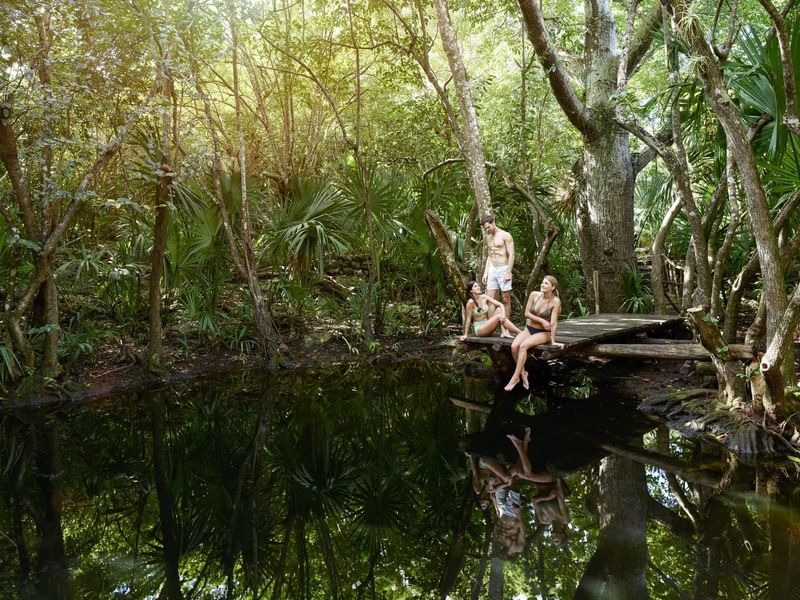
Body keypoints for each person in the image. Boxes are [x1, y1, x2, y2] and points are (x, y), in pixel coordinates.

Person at [505, 275, 564, 391]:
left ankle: (515, 377)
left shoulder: (555, 302)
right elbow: (526, 313)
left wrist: (553, 340)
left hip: (544, 332)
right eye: (542, 282)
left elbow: (553, 322)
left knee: (523, 346)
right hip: (529, 329)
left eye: (546, 283)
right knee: (514, 346)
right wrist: (541, 320)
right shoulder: (534, 295)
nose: (543, 285)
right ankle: (523, 373)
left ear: (553, 287)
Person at [480, 216, 514, 323]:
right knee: (490, 299)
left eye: (488, 227)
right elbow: (490, 256)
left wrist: (508, 272)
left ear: (493, 222)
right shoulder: (488, 238)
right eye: (485, 229)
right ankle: (491, 326)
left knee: (505, 298)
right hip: (492, 269)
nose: (487, 230)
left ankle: (506, 325)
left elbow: (512, 254)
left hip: (503, 268)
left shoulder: (505, 235)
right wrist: (486, 273)